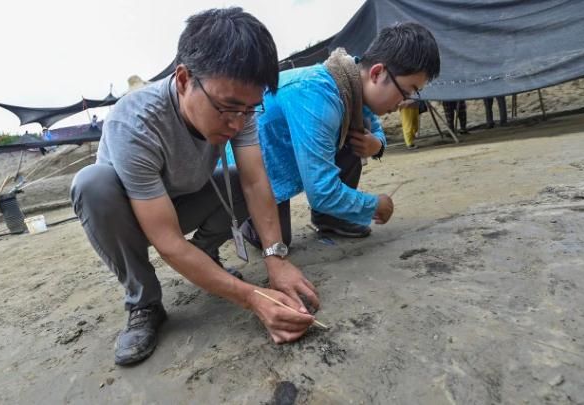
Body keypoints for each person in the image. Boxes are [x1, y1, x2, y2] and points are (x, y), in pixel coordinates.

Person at [70, 8, 320, 366]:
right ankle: (144, 302)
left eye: (249, 109)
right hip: (129, 218)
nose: (237, 123)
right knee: (92, 184)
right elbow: (167, 241)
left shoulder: (240, 109)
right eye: (227, 108)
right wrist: (251, 297)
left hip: (185, 198)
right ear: (185, 79)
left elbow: (254, 180)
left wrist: (276, 259)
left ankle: (206, 256)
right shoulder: (135, 121)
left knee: (237, 181)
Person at [243, 23, 440, 244]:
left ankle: (331, 218)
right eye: (405, 91)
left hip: (290, 161)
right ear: (377, 73)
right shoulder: (318, 97)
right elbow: (321, 192)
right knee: (277, 242)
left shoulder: (352, 86)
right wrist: (373, 204)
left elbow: (375, 129)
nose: (404, 102)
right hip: (257, 171)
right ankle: (243, 216)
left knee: (357, 133)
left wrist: (378, 145)